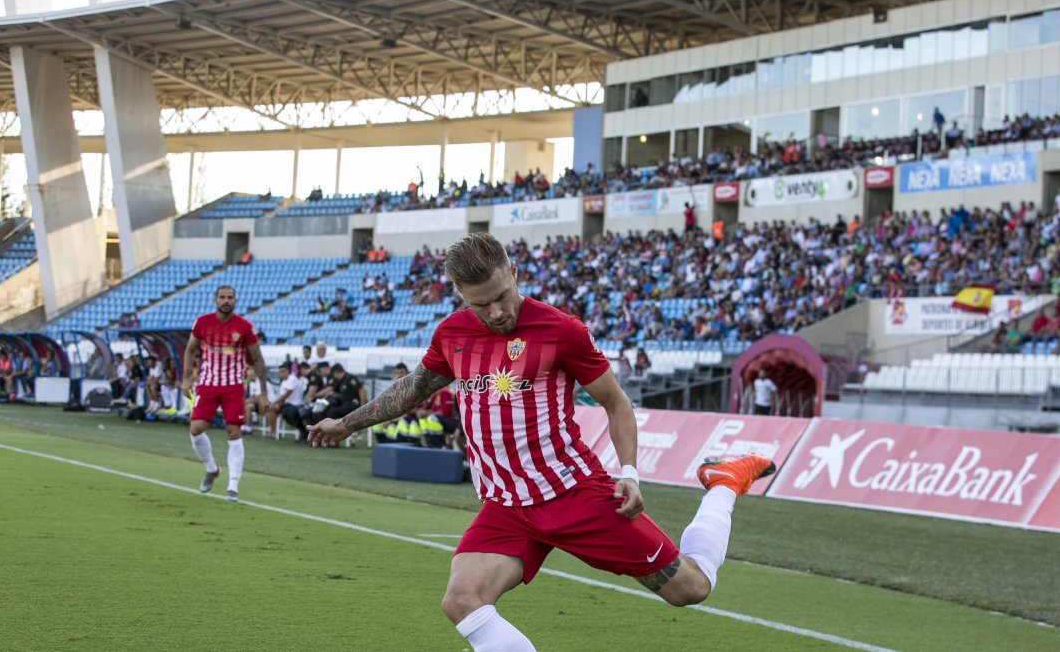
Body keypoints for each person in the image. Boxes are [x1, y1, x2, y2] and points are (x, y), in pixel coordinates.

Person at [308, 233, 776, 651]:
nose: (495, 313)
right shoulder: (451, 335)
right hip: (506, 507)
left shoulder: (560, 331)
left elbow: (617, 403)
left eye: (502, 297)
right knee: (462, 600)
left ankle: (723, 482)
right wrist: (346, 424)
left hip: (573, 494)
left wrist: (629, 473)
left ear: (514, 273)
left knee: (689, 590)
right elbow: (413, 387)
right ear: (459, 295)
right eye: (480, 304)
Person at [181, 285, 269, 503]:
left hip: (233, 386)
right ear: (215, 300)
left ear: (235, 301)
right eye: (222, 297)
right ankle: (212, 469)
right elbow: (191, 349)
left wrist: (264, 393)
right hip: (208, 383)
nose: (226, 301)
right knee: (196, 429)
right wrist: (185, 378)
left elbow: (257, 358)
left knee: (233, 432)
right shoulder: (202, 322)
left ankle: (233, 486)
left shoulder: (245, 326)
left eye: (230, 297)